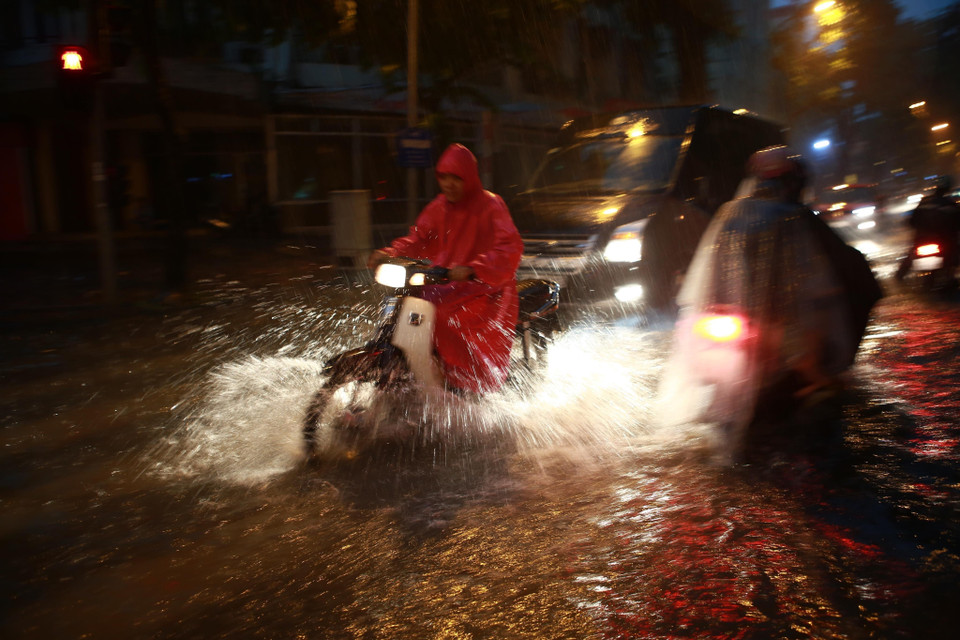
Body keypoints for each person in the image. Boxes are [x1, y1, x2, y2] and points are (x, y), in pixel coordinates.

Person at [656, 146, 881, 461]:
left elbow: (707, 264)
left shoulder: (730, 213)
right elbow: (828, 274)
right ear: (795, 180)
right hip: (776, 325)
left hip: (729, 321)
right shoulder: (796, 216)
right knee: (818, 375)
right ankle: (818, 381)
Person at [367, 143, 524, 393]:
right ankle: (416, 367)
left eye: (456, 178)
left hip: (485, 287)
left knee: (440, 314)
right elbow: (420, 239)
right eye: (444, 177)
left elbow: (509, 248)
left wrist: (474, 268)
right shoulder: (440, 206)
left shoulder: (491, 205)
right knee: (409, 305)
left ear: (469, 178)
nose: (449, 184)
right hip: (445, 282)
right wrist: (391, 252)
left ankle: (463, 380)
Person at [895, 175, 960, 283]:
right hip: (943, 241)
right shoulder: (950, 204)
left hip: (923, 239)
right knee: (954, 251)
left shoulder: (925, 201)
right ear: (948, 188)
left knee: (910, 255)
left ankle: (898, 278)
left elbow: (911, 221)